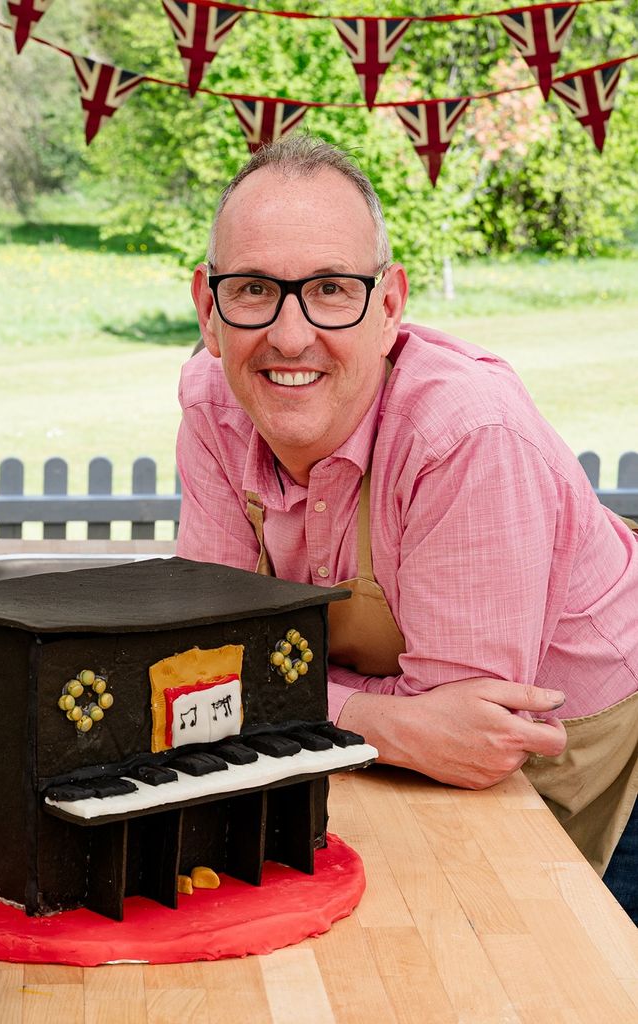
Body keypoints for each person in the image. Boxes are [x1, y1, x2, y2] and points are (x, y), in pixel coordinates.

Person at [175, 133, 638, 923]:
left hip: (590, 761)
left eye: (330, 289)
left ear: (388, 305)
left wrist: (276, 695)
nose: (289, 337)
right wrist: (374, 717)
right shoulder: (214, 403)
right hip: (374, 767)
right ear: (208, 308)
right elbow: (199, 660)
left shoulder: (463, 436)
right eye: (253, 289)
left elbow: (467, 744)